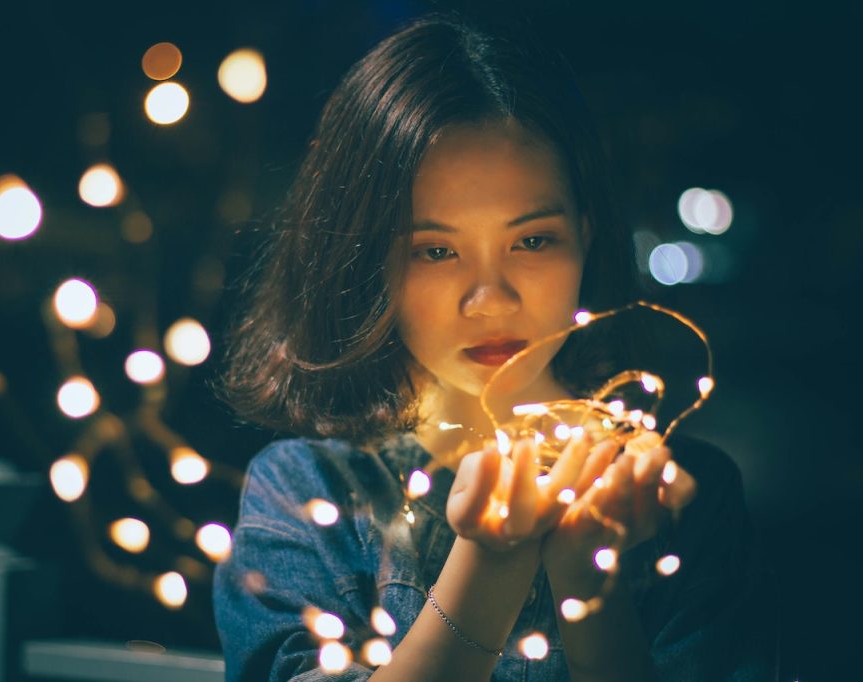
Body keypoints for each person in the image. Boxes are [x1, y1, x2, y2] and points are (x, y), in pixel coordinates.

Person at [213, 13, 777, 682]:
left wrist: (584, 572)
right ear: (367, 262)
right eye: (436, 250)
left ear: (585, 237)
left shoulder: (684, 500)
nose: (490, 299)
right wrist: (491, 562)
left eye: (532, 240)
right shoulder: (308, 495)